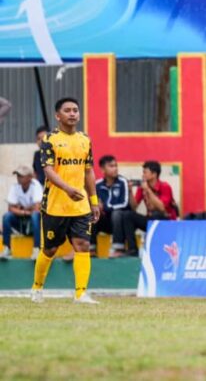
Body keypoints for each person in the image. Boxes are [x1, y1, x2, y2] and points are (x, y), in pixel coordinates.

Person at [31, 97, 101, 304]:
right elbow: (48, 170)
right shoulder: (50, 140)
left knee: (82, 245)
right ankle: (37, 287)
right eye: (67, 110)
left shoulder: (85, 140)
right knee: (50, 249)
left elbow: (89, 171)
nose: (72, 114)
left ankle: (80, 294)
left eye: (75, 110)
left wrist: (93, 201)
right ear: (57, 116)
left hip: (80, 205)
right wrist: (67, 188)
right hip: (55, 205)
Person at [93, 156, 137, 257]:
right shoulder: (97, 185)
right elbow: (94, 202)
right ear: (103, 169)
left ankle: (118, 248)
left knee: (116, 213)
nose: (115, 168)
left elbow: (124, 203)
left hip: (120, 223)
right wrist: (96, 207)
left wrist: (105, 207)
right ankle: (91, 249)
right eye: (111, 166)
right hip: (105, 222)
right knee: (92, 214)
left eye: (116, 166)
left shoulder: (123, 182)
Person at [2, 165, 42, 260]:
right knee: (6, 217)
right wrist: (25, 211)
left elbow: (37, 208)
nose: (18, 178)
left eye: (21, 176)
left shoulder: (36, 185)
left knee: (35, 215)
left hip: (35, 222)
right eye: (17, 175)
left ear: (29, 177)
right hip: (22, 219)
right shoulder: (15, 187)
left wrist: (20, 207)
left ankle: (36, 249)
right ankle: (7, 248)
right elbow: (10, 208)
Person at [132, 161, 179, 231]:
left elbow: (161, 208)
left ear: (154, 174)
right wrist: (130, 191)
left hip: (167, 220)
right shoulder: (142, 187)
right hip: (150, 219)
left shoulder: (165, 186)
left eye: (145, 172)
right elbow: (134, 207)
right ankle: (129, 238)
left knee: (156, 214)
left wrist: (148, 190)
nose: (143, 175)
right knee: (128, 215)